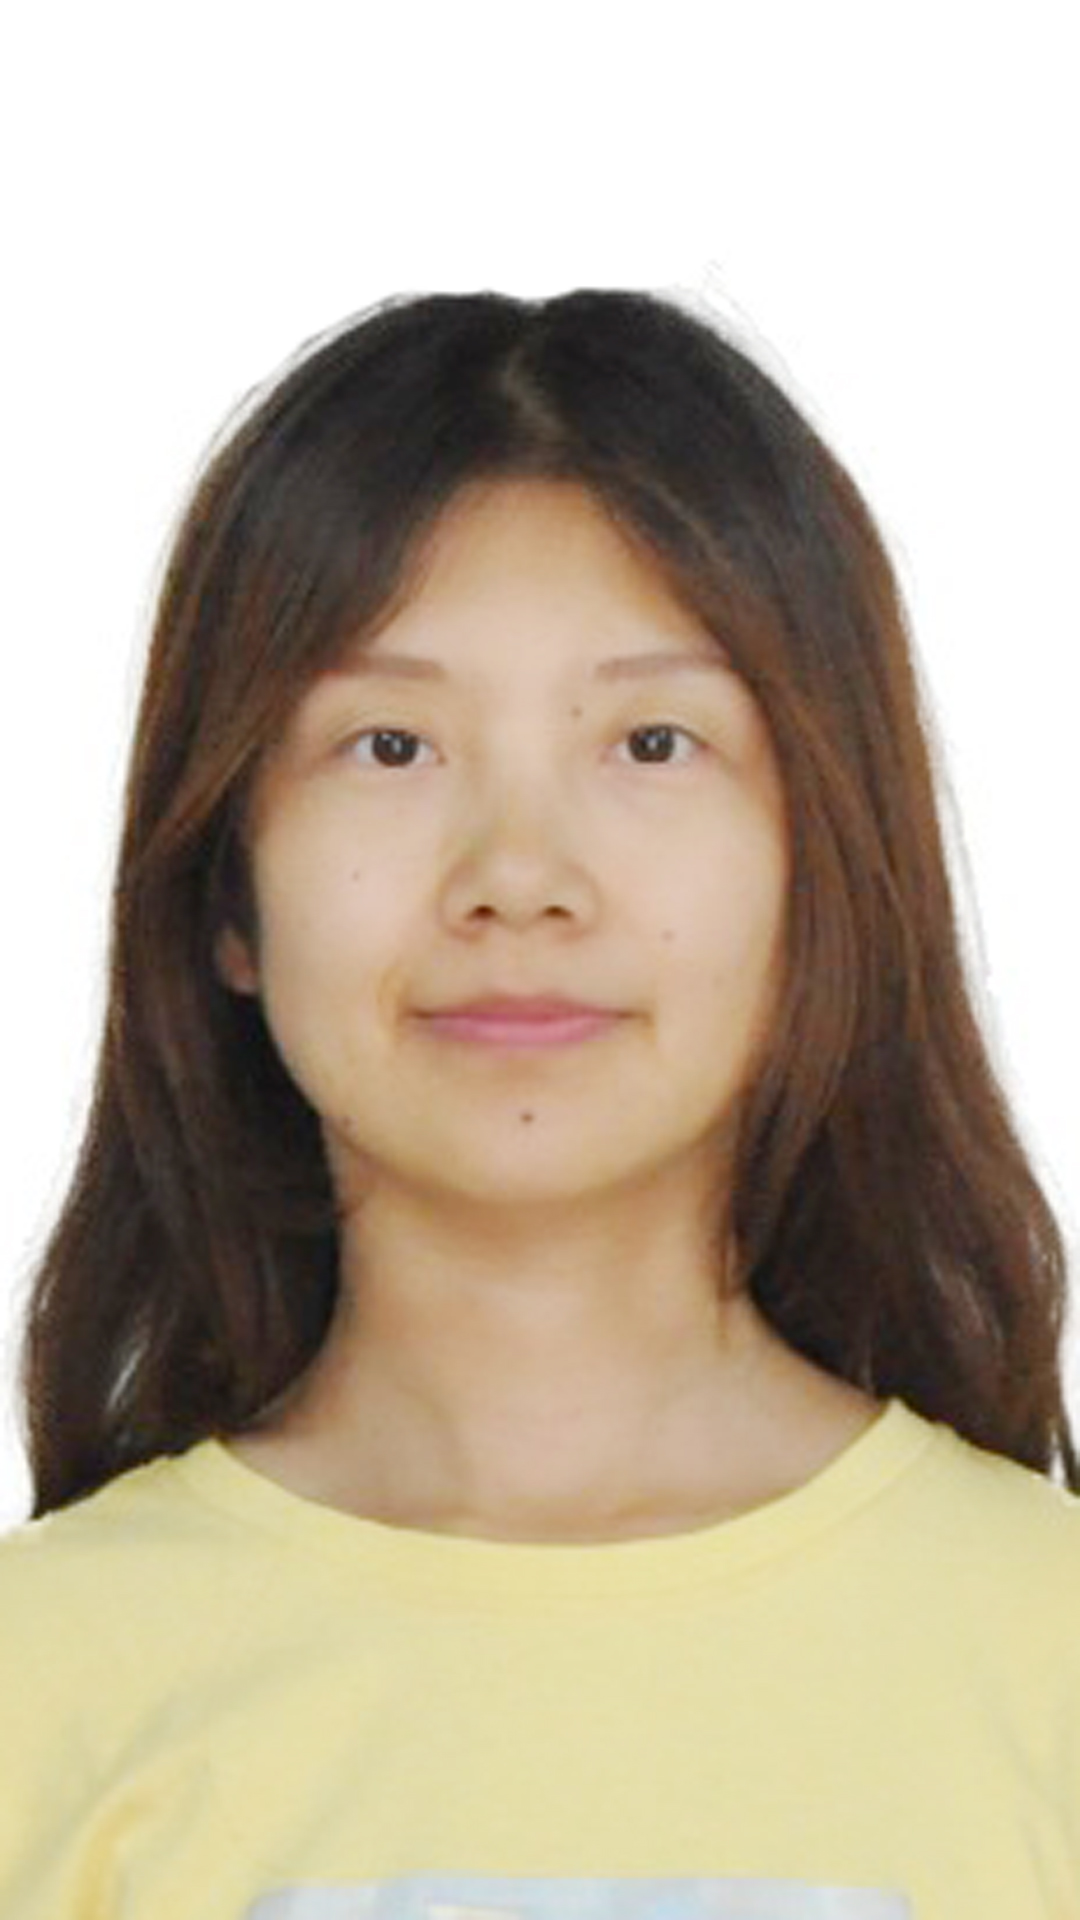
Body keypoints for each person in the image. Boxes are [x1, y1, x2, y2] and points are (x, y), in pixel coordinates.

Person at [1, 287, 1077, 1918]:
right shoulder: (44, 1685)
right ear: (228, 891)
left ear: (825, 872)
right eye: (388, 746)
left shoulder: (1048, 1656)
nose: (518, 876)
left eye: (653, 742)